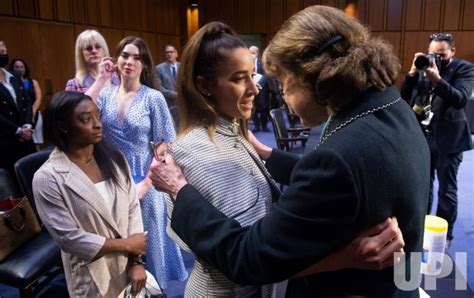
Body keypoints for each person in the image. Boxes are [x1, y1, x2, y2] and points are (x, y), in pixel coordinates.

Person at [150, 6, 430, 297]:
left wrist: (178, 187)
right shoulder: (391, 107)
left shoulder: (338, 158)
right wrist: (270, 156)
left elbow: (248, 259)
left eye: (283, 85)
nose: (277, 95)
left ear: (309, 76)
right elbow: (347, 184)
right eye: (238, 78)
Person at [32, 91, 147, 297]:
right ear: (63, 126)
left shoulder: (114, 157)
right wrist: (127, 245)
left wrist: (136, 261)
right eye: (86, 119)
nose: (97, 124)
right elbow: (69, 238)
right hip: (92, 271)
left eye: (98, 116)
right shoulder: (48, 177)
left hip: (129, 266)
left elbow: (132, 208)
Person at [97, 36, 187, 289]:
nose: (129, 62)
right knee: (119, 243)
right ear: (117, 59)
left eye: (137, 57)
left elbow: (164, 146)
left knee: (149, 245)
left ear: (145, 65)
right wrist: (102, 78)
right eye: (125, 55)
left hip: (145, 180)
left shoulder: (153, 98)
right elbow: (82, 120)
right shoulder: (104, 95)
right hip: (112, 178)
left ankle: (155, 292)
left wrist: (146, 185)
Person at [400, 33, 474, 244]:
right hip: (424, 137)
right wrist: (413, 72)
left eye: (441, 54)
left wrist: (437, 80)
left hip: (449, 140)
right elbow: (405, 96)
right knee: (425, 186)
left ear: (453, 51)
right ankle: (422, 229)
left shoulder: (464, 69)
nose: (437, 58)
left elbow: (460, 99)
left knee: (446, 189)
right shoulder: (424, 68)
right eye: (433, 54)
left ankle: (444, 236)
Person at [0, 39, 35, 176]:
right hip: (6, 140)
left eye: (4, 52)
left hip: (26, 138)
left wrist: (27, 125)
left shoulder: (14, 76)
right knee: (12, 182)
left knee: (31, 175)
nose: (2, 55)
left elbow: (26, 101)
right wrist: (18, 131)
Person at [65, 29, 120, 97]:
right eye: (88, 48)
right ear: (81, 54)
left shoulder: (117, 78)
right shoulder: (74, 84)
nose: (94, 51)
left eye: (97, 47)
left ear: (104, 49)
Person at [8, 58, 44, 147]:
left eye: (21, 67)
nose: (19, 69)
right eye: (16, 67)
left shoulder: (33, 82)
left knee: (36, 142)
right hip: (19, 117)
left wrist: (32, 112)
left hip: (34, 114)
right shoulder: (9, 84)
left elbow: (38, 98)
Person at [249, 45, 270, 132]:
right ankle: (256, 126)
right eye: (250, 53)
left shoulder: (262, 63)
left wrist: (258, 84)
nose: (252, 54)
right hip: (250, 88)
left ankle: (264, 126)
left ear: (257, 53)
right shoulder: (246, 63)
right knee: (253, 108)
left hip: (262, 89)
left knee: (264, 107)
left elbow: (266, 75)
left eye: (253, 53)